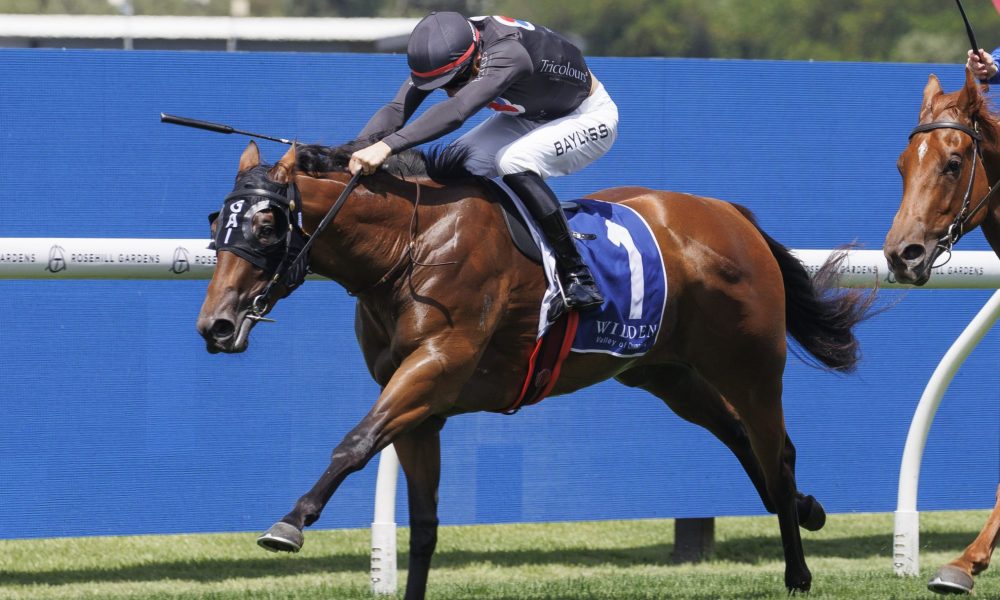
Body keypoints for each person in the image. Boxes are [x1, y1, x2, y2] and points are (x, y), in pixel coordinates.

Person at [349, 11, 619, 313]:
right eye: (439, 84)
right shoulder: (449, 45)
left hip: (586, 115)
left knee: (513, 161)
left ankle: (577, 275)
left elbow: (457, 111)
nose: (448, 90)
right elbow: (397, 109)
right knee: (457, 164)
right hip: (529, 114)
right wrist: (352, 152)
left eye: (455, 81)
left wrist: (387, 146)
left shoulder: (508, 53)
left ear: (476, 56)